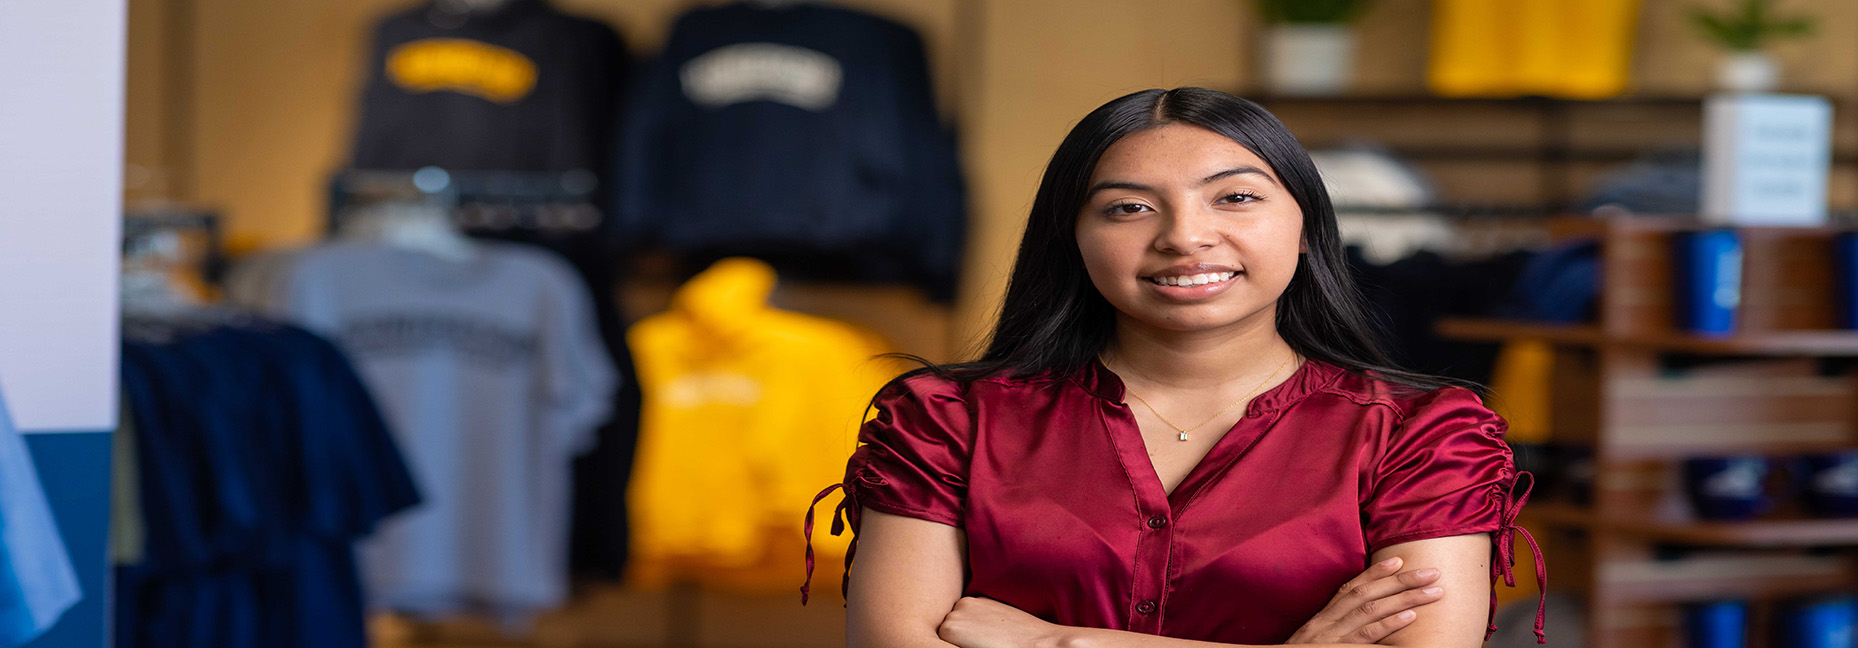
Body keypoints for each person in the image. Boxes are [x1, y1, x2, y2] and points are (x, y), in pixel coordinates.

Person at [802, 87, 1545, 648]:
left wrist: (1063, 641)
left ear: (1310, 229)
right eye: (1129, 208)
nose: (1186, 238)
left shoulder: (1424, 435)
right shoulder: (945, 421)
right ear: (1073, 239)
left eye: (1236, 198)